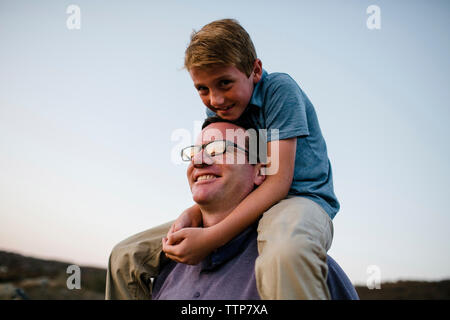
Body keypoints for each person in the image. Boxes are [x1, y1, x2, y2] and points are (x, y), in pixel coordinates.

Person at [106, 18, 339, 300]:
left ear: (255, 70)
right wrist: (192, 214)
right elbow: (219, 171)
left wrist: (211, 239)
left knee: (286, 253)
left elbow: (279, 181)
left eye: (224, 83)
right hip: (245, 198)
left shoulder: (280, 90)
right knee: (126, 257)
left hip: (298, 198)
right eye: (202, 89)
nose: (215, 99)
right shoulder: (223, 110)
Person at [155, 119, 357, 299]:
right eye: (193, 152)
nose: (198, 160)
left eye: (218, 149)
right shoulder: (165, 274)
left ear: (260, 171)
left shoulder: (300, 266)